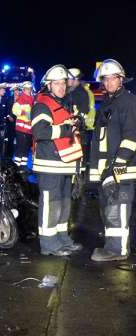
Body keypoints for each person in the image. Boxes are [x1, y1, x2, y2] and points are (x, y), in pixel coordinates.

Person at [31, 65, 83, 256]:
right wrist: (65, 129)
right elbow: (40, 132)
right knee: (50, 204)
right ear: (48, 85)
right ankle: (48, 244)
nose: (61, 87)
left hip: (65, 164)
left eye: (63, 83)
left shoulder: (63, 103)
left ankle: (62, 239)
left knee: (64, 204)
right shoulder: (42, 104)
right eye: (57, 84)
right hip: (49, 164)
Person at [89, 59, 136, 261]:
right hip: (109, 170)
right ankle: (112, 246)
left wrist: (114, 172)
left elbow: (131, 138)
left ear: (121, 80)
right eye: (105, 79)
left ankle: (118, 250)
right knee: (110, 209)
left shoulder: (128, 102)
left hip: (121, 171)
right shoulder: (110, 102)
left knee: (118, 209)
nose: (108, 83)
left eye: (112, 79)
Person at [68, 68, 95, 165]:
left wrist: (75, 123)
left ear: (75, 79)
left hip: (80, 130)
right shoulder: (73, 91)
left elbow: (84, 111)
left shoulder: (80, 93)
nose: (67, 81)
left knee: (79, 157)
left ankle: (80, 176)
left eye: (69, 78)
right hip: (79, 129)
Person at [12, 81, 34, 172]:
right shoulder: (20, 99)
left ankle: (23, 166)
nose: (28, 90)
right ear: (23, 90)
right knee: (20, 148)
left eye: (30, 89)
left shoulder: (32, 99)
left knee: (26, 148)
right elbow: (14, 110)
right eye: (27, 89)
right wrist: (25, 113)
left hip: (29, 129)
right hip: (21, 129)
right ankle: (16, 167)